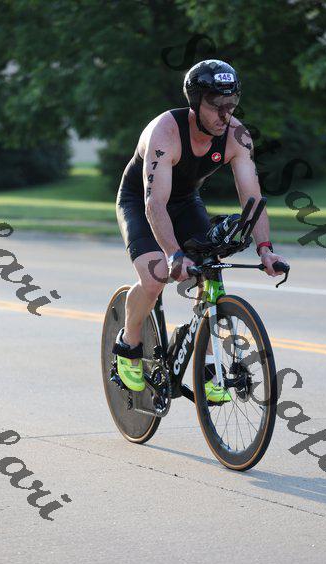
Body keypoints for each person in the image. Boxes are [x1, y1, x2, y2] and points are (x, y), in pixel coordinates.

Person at [112, 59, 288, 400]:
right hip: (142, 201)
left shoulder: (236, 136)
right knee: (156, 276)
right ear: (195, 103)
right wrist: (174, 254)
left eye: (231, 105)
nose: (224, 115)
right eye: (215, 105)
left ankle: (207, 368)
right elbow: (154, 205)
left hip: (185, 201)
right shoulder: (165, 132)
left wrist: (265, 249)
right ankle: (128, 344)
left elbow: (252, 197)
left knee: (210, 276)